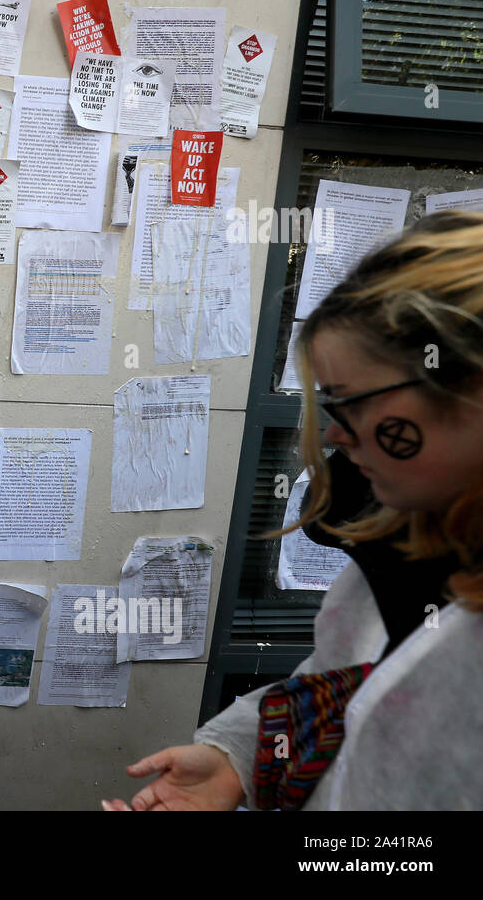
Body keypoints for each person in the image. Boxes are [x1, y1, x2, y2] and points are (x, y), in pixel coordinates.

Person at [104, 211, 483, 811]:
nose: (333, 436)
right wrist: (241, 759)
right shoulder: (413, 550)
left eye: (347, 403)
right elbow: (349, 683)